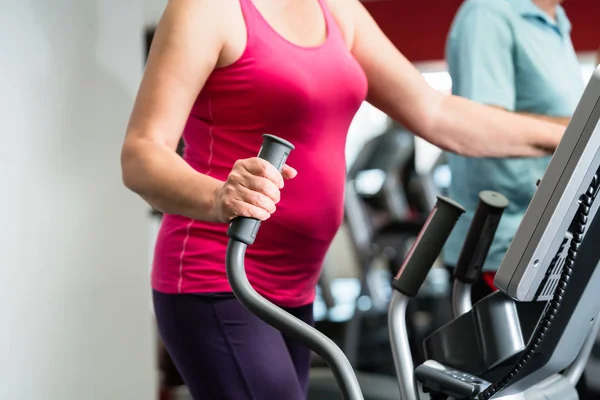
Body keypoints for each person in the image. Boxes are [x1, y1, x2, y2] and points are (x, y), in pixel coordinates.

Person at [120, 0, 566, 398]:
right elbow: (141, 154)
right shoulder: (207, 9)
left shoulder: (336, 8)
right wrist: (217, 195)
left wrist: (572, 136)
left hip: (296, 285)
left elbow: (437, 113)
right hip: (219, 278)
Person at [442, 0, 585, 300]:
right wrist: (582, 131)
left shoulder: (556, 19)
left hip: (556, 238)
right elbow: (483, 126)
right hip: (505, 249)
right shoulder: (488, 13)